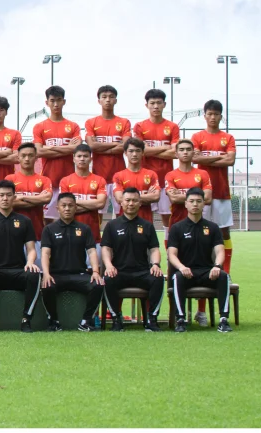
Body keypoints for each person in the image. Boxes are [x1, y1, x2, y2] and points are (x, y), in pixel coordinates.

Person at [190, 99, 237, 328]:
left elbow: (231, 160)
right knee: (203, 237)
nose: (212, 117)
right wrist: (219, 158)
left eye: (216, 114)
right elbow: (195, 158)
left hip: (222, 193)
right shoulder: (197, 137)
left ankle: (224, 271)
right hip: (203, 194)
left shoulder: (228, 137)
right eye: (209, 113)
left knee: (223, 233)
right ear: (205, 115)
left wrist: (208, 159)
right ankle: (200, 310)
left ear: (220, 116)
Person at [0, 180, 42, 332]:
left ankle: (26, 320)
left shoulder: (25, 221)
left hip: (18, 271)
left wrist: (30, 262)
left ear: (14, 197)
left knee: (34, 274)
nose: (5, 198)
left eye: (9, 195)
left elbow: (31, 249)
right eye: (1, 195)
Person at [167, 187, 233, 333]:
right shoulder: (177, 228)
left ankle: (223, 320)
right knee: (177, 278)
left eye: (198, 201)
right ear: (186, 204)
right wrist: (181, 267)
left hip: (207, 272)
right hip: (187, 273)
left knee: (223, 277)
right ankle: (180, 320)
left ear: (204, 204)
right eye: (191, 201)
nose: (195, 204)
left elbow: (220, 251)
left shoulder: (212, 227)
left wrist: (217, 266)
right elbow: (171, 254)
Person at [39, 193, 105, 332]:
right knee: (46, 285)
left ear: (76, 208)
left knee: (98, 284)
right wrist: (46, 274)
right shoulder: (49, 229)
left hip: (79, 274)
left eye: (70, 205)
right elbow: (45, 253)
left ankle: (86, 321)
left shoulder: (84, 229)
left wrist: (95, 271)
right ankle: (54, 321)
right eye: (63, 205)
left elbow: (92, 251)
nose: (67, 208)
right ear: (57, 208)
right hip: (57, 275)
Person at [101, 187, 164, 332]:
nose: (131, 203)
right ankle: (116, 319)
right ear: (121, 202)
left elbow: (154, 249)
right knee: (108, 279)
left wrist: (155, 264)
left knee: (158, 278)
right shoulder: (112, 225)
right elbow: (106, 249)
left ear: (140, 203)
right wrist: (109, 265)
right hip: (119, 271)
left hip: (142, 272)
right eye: (127, 200)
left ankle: (152, 320)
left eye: (134, 200)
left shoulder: (147, 225)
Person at [33, 86, 82, 223]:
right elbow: (39, 151)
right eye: (52, 100)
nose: (56, 104)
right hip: (49, 180)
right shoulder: (40, 126)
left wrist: (49, 147)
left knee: (70, 218)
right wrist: (67, 147)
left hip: (70, 181)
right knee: (47, 221)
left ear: (64, 102)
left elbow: (77, 149)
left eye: (59, 100)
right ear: (47, 102)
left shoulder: (73, 126)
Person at [134, 88, 180, 229]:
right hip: (145, 180)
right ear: (146, 105)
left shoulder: (172, 127)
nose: (155, 106)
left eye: (159, 103)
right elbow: (140, 151)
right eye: (152, 103)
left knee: (167, 218)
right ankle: (147, 243)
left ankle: (169, 243)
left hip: (166, 178)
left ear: (164, 104)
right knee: (145, 217)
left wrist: (148, 150)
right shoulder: (140, 126)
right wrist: (165, 147)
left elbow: (175, 153)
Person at [85, 85, 131, 215]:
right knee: (97, 213)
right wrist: (116, 144)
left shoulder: (124, 122)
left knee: (122, 211)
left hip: (120, 175)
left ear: (116, 100)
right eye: (104, 97)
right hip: (98, 175)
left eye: (111, 97)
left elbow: (125, 146)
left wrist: (101, 147)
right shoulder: (91, 122)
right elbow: (92, 146)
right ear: (99, 100)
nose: (108, 100)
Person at [58, 144, 107, 244]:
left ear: (91, 159)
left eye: (85, 156)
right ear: (73, 159)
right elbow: (64, 206)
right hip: (70, 232)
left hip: (93, 233)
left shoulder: (100, 180)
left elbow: (101, 204)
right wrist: (92, 205)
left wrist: (73, 203)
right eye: (79, 156)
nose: (82, 159)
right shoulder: (65, 181)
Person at [8, 143, 53, 244]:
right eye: (23, 156)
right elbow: (10, 202)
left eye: (30, 155)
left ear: (36, 158)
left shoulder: (44, 180)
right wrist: (38, 199)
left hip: (37, 233)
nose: (27, 159)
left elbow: (46, 199)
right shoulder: (10, 179)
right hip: (13, 233)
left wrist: (21, 197)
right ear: (18, 158)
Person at [164, 140, 212, 227]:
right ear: (176, 154)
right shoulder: (170, 175)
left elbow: (208, 199)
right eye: (181, 150)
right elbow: (174, 199)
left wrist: (180, 194)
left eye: (188, 149)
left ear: (193, 153)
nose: (185, 152)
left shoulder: (203, 174)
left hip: (198, 223)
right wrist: (199, 196)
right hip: (176, 223)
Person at [111, 138, 161, 222]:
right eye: (131, 151)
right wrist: (146, 196)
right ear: (125, 153)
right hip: (124, 222)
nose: (134, 154)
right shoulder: (118, 176)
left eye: (138, 151)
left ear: (143, 153)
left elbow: (156, 197)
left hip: (145, 221)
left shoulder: (151, 174)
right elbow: (119, 198)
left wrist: (127, 198)